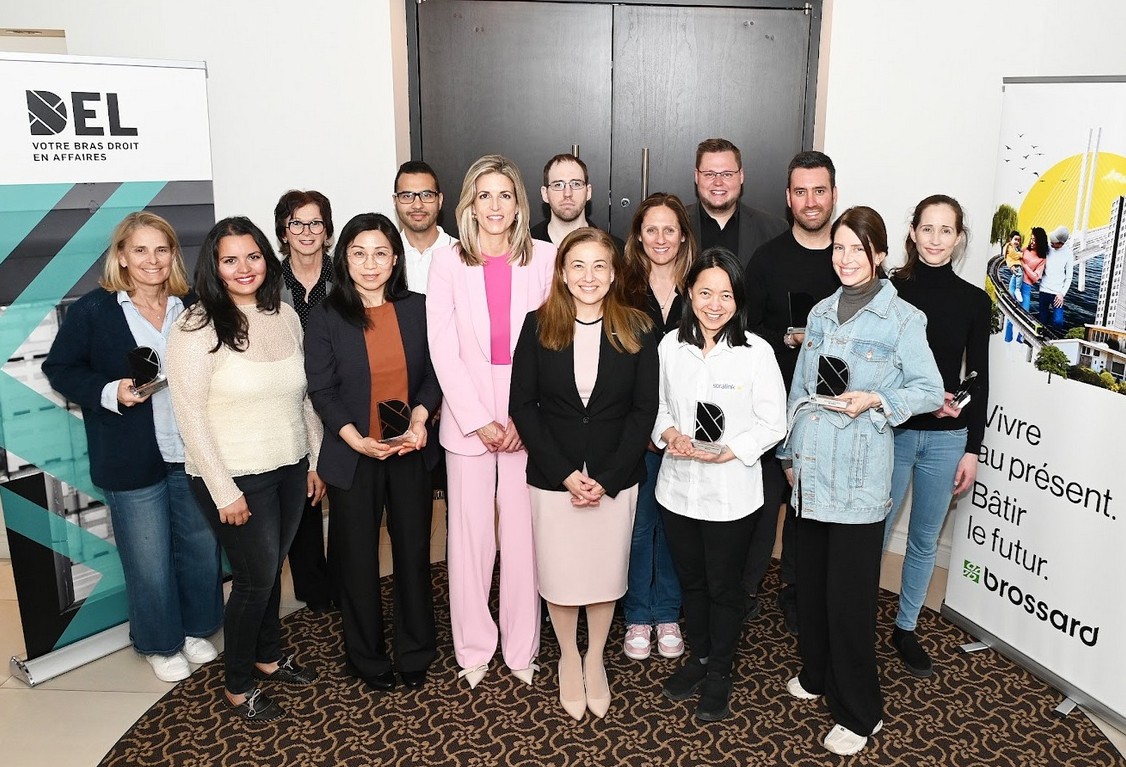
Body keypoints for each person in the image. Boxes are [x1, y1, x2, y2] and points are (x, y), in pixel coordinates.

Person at [777, 206, 943, 755]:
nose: (846, 259)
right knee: (813, 590)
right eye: (838, 248)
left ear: (880, 254)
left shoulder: (903, 320)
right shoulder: (821, 312)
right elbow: (801, 389)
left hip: (857, 481)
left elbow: (928, 390)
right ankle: (818, 674)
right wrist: (788, 454)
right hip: (811, 474)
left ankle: (861, 713)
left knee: (848, 602)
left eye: (857, 249)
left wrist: (876, 399)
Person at [43, 212, 223, 683]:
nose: (152, 259)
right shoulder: (93, 310)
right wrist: (110, 391)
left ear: (173, 254)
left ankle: (196, 627)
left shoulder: (193, 305)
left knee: (201, 549)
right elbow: (60, 368)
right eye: (140, 249)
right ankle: (159, 642)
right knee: (149, 559)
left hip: (192, 450)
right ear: (121, 256)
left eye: (161, 249)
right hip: (129, 455)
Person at [167, 216, 325, 722]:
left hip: (289, 467)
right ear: (213, 267)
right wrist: (223, 490)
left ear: (267, 259)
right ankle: (237, 685)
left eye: (253, 256)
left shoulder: (285, 316)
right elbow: (189, 416)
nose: (244, 268)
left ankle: (268, 657)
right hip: (234, 476)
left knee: (269, 571)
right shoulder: (195, 327)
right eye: (230, 259)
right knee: (255, 581)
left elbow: (303, 398)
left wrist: (314, 460)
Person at [510, 227, 657, 721]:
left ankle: (595, 657)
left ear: (614, 274)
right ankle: (568, 657)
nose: (588, 276)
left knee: (603, 574)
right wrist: (566, 474)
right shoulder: (537, 325)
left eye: (599, 266)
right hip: (555, 477)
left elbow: (644, 409)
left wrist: (607, 478)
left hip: (615, 476)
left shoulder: (637, 328)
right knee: (561, 575)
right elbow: (523, 406)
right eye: (578, 265)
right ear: (563, 273)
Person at [426, 155, 555, 689]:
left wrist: (528, 415)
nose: (495, 206)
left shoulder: (545, 258)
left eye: (505, 195)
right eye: (485, 195)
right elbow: (441, 347)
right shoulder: (447, 262)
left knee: (524, 540)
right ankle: (474, 647)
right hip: (467, 417)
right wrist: (478, 419)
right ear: (470, 205)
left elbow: (552, 342)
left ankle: (522, 648)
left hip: (528, 412)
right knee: (470, 540)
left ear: (519, 204)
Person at [305, 213, 440, 693]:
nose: (370, 263)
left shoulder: (418, 308)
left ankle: (415, 650)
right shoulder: (326, 316)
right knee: (358, 560)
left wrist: (420, 418)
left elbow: (434, 375)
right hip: (354, 454)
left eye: (380, 253)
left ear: (395, 258)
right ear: (343, 259)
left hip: (409, 450)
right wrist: (354, 438)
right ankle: (365, 656)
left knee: (413, 553)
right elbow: (322, 389)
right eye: (359, 253)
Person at [653, 248, 787, 722]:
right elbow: (658, 407)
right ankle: (701, 656)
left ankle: (720, 672)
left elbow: (774, 423)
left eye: (725, 295)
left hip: (732, 494)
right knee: (691, 582)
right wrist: (669, 434)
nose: (714, 304)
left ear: (738, 299)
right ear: (689, 293)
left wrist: (732, 450)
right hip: (677, 490)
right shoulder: (670, 347)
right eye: (705, 292)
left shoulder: (757, 353)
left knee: (724, 588)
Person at [883, 195, 990, 678]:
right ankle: (854, 620)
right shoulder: (888, 290)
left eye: (946, 230)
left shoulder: (974, 301)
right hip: (893, 431)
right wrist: (919, 399)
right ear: (913, 232)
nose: (935, 239)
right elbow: (877, 365)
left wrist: (972, 449)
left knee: (924, 540)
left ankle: (905, 628)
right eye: (927, 228)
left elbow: (979, 378)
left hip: (947, 440)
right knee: (874, 532)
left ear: (959, 237)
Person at [743, 150, 841, 635]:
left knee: (810, 509)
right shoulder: (767, 259)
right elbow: (745, 330)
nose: (811, 201)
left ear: (834, 195)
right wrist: (787, 338)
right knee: (763, 506)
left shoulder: (850, 258)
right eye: (801, 191)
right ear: (788, 197)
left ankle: (797, 591)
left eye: (819, 190)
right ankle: (745, 590)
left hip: (833, 410)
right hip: (773, 405)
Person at [619, 193, 695, 662]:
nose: (660, 238)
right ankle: (636, 615)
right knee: (638, 525)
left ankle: (667, 612)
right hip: (636, 432)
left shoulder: (701, 286)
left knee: (673, 527)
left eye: (670, 229)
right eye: (651, 229)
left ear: (683, 235)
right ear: (639, 236)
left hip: (688, 433)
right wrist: (645, 427)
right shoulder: (621, 289)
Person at [274, 189, 336, 614]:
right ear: (284, 232)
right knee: (304, 496)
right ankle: (314, 589)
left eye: (315, 223)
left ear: (327, 230)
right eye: (297, 223)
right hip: (289, 401)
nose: (307, 232)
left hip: (340, 397)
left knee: (346, 494)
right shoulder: (267, 282)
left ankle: (346, 581)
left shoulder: (345, 275)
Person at [686, 138, 787, 269]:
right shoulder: (676, 224)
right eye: (709, 174)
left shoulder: (774, 231)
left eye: (727, 174)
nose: (718, 182)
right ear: (696, 176)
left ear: (741, 176)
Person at [531, 153, 624, 251]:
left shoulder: (614, 249)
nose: (567, 193)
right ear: (545, 194)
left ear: (588, 192)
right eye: (558, 185)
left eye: (576, 184)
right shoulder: (525, 246)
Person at [393, 160, 455, 294]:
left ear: (440, 200)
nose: (417, 205)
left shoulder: (463, 255)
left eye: (426, 195)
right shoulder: (385, 257)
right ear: (395, 201)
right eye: (407, 196)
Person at [1040, 226, 1074, 330]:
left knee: (1058, 322)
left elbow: (1069, 277)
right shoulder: (1048, 247)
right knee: (1042, 321)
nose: (1051, 243)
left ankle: (1050, 319)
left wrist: (1062, 294)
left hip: (1057, 293)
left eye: (1054, 242)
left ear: (1061, 243)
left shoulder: (1068, 254)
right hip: (1044, 290)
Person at [1019, 227, 1048, 313]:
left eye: (1034, 240)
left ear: (1040, 242)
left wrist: (1024, 265)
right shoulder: (1024, 250)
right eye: (1031, 239)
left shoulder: (1042, 259)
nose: (1032, 242)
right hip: (1015, 282)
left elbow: (1035, 277)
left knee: (1024, 312)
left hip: (1026, 287)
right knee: (1010, 309)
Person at [1003, 230, 1023, 301]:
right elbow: (1015, 255)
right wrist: (1021, 255)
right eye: (1015, 239)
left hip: (1014, 265)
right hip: (1014, 265)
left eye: (1018, 240)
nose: (1017, 242)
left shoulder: (1014, 248)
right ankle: (1017, 290)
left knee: (1017, 277)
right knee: (1019, 274)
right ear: (1010, 239)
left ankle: (1012, 297)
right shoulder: (1009, 248)